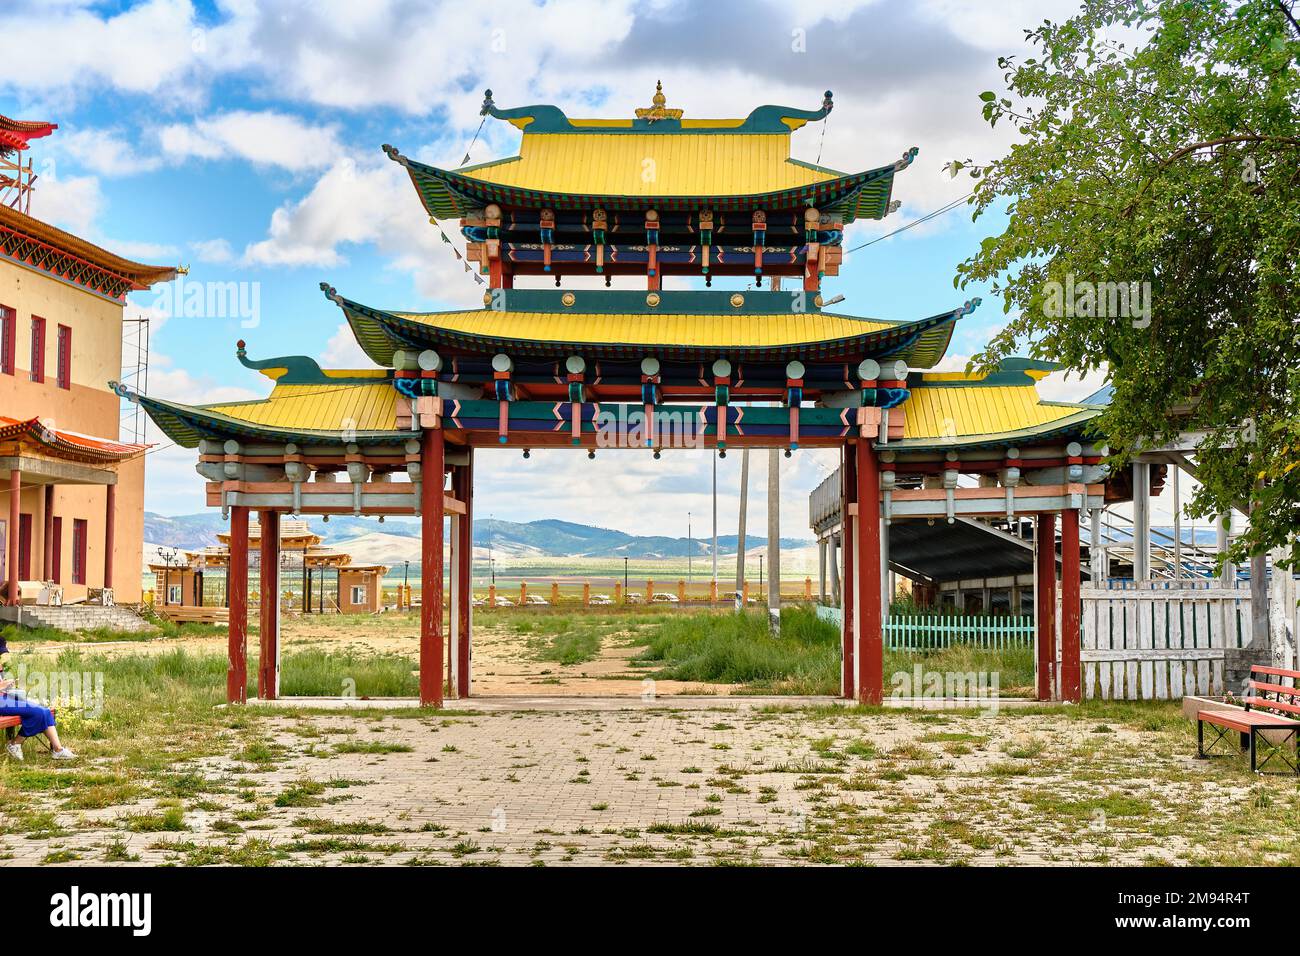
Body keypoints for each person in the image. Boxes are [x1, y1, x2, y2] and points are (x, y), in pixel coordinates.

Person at [0, 670, 76, 761]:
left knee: (45, 711)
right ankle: (14, 744)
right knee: (37, 712)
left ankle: (58, 750)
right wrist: (2, 685)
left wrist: (7, 685)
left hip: (5, 698)